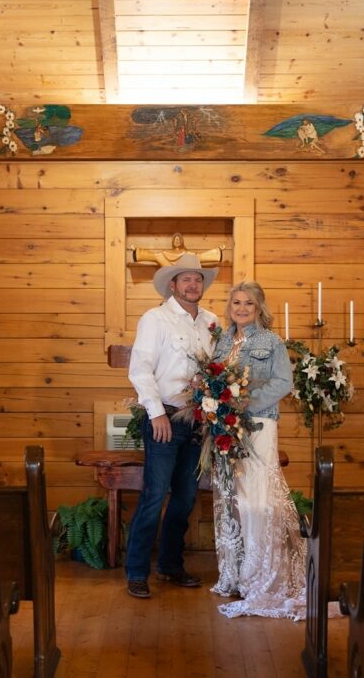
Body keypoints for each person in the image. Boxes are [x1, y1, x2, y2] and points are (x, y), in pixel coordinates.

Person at [209, 280, 306, 619]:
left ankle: (262, 575)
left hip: (259, 424)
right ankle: (235, 573)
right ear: (230, 307)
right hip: (225, 429)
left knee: (258, 497)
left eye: (248, 303)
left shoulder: (271, 341)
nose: (241, 308)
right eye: (236, 302)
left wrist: (249, 402)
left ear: (259, 307)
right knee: (232, 497)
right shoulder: (221, 340)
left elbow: (283, 382)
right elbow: (213, 378)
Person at [125, 253, 219, 599]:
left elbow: (217, 370)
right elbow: (140, 369)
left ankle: (169, 564)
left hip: (199, 421)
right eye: (186, 279)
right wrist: (156, 413)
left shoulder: (211, 321)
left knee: (186, 497)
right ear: (173, 285)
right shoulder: (155, 318)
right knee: (154, 495)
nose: (193, 284)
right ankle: (136, 571)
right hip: (166, 416)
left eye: (198, 279)